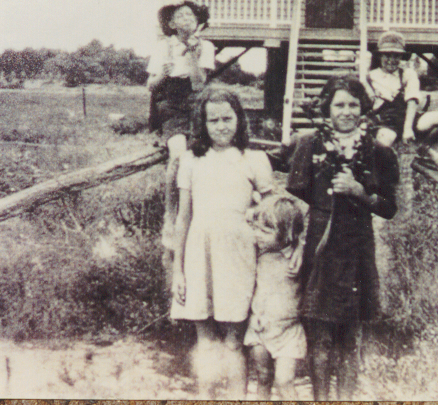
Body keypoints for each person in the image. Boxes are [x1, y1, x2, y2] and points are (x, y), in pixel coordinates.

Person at [268, 76, 400, 400]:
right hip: (320, 245)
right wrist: (297, 243)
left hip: (357, 245)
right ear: (327, 108)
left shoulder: (378, 151)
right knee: (321, 334)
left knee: (350, 335)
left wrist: (361, 193)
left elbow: (389, 208)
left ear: (363, 108)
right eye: (339, 104)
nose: (346, 111)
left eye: (353, 104)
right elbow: (298, 201)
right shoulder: (310, 144)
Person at [170, 88, 273, 398]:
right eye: (213, 120)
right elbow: (183, 218)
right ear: (202, 124)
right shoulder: (190, 160)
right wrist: (178, 270)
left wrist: (256, 213)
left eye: (227, 118)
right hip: (200, 255)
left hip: (239, 256)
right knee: (205, 338)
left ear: (240, 120)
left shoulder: (254, 159)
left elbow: (272, 213)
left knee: (232, 338)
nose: (221, 126)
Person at [146, 0, 217, 272]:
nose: (186, 19)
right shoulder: (163, 47)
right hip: (170, 103)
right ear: (172, 24)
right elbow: (151, 86)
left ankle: (200, 211)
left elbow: (200, 85)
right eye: (180, 16)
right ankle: (170, 214)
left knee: (203, 155)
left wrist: (193, 56)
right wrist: (162, 74)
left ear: (198, 22)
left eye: (191, 15)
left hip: (196, 102)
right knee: (178, 155)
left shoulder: (206, 46)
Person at [244, 195, 307, 400]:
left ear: (286, 233)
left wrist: (301, 246)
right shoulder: (259, 253)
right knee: (263, 377)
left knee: (284, 381)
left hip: (288, 331)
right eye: (257, 230)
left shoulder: (297, 259)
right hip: (260, 328)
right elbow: (247, 217)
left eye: (266, 231)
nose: (258, 236)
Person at [362, 30, 438, 153]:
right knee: (385, 140)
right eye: (387, 55)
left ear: (401, 57)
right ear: (380, 56)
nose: (391, 60)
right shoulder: (370, 77)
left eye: (396, 56)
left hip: (409, 119)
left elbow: (412, 100)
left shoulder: (407, 74)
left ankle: (424, 147)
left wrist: (408, 129)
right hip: (385, 122)